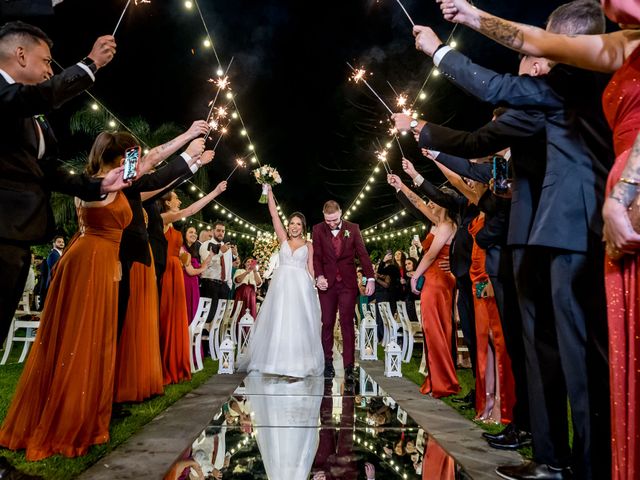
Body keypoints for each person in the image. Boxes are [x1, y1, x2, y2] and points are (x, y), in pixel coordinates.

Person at [437, 1, 640, 477]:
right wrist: (470, 17)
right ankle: (577, 461)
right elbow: (526, 43)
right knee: (586, 352)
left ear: (566, 40)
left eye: (553, 41)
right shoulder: (619, 54)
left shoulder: (572, 80)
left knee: (584, 358)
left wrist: (449, 41)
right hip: (596, 211)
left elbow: (504, 79)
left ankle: (588, 466)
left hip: (589, 217)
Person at [0, 133, 133, 460]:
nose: (135, 161)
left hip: (97, 259)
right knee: (79, 339)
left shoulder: (95, 182)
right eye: (132, 155)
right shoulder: (100, 185)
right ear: (120, 158)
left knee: (92, 339)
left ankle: (85, 415)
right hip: (88, 261)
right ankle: (67, 420)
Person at [0, 21, 127, 345]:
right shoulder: (9, 98)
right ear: (20, 54)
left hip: (17, 237)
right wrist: (90, 64)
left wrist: (99, 186)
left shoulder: (29, 117)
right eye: (46, 61)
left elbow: (49, 170)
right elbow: (39, 96)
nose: (49, 71)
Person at [388, 174, 459, 398]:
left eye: (434, 200)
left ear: (444, 204)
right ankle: (434, 378)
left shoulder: (447, 225)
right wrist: (401, 185)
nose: (430, 203)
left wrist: (414, 275)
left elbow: (430, 255)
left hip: (438, 282)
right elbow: (418, 202)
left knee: (437, 330)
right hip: (431, 280)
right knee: (430, 330)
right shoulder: (436, 223)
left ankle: (443, 381)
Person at [241, 185, 324, 377]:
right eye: (292, 223)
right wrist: (269, 192)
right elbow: (274, 216)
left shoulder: (309, 245)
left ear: (303, 227)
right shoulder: (283, 240)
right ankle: (274, 361)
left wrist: (318, 280)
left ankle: (298, 363)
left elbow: (311, 268)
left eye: (298, 224)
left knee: (298, 323)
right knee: (278, 320)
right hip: (282, 285)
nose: (294, 227)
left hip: (301, 287)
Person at [159, 183, 227, 385]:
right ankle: (165, 363)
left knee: (177, 320)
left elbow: (190, 268)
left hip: (178, 276)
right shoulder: (163, 221)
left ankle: (175, 362)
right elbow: (189, 211)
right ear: (167, 203)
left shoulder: (173, 229)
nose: (179, 201)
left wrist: (206, 262)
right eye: (175, 199)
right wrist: (215, 192)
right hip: (168, 273)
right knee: (167, 318)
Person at [312, 200, 375, 381]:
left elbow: (363, 254)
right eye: (328, 221)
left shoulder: (353, 228)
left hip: (348, 284)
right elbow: (316, 257)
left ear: (341, 213)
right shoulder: (317, 230)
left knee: (347, 323)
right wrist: (319, 277)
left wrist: (370, 278)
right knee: (327, 323)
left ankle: (349, 367)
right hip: (327, 285)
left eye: (335, 220)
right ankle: (328, 363)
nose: (331, 224)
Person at [199, 222, 235, 324]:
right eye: (218, 230)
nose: (221, 233)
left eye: (223, 231)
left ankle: (215, 339)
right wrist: (219, 253)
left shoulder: (226, 247)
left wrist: (229, 285)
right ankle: (205, 339)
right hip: (210, 284)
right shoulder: (206, 245)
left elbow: (228, 266)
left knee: (219, 318)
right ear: (213, 231)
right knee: (208, 316)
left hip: (223, 286)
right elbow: (206, 263)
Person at [181, 225, 212, 324]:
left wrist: (211, 256)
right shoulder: (182, 249)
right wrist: (202, 269)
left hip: (194, 286)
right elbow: (190, 271)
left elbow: (199, 268)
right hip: (185, 284)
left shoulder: (193, 251)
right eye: (191, 232)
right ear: (184, 234)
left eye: (195, 233)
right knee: (187, 311)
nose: (194, 234)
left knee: (194, 311)